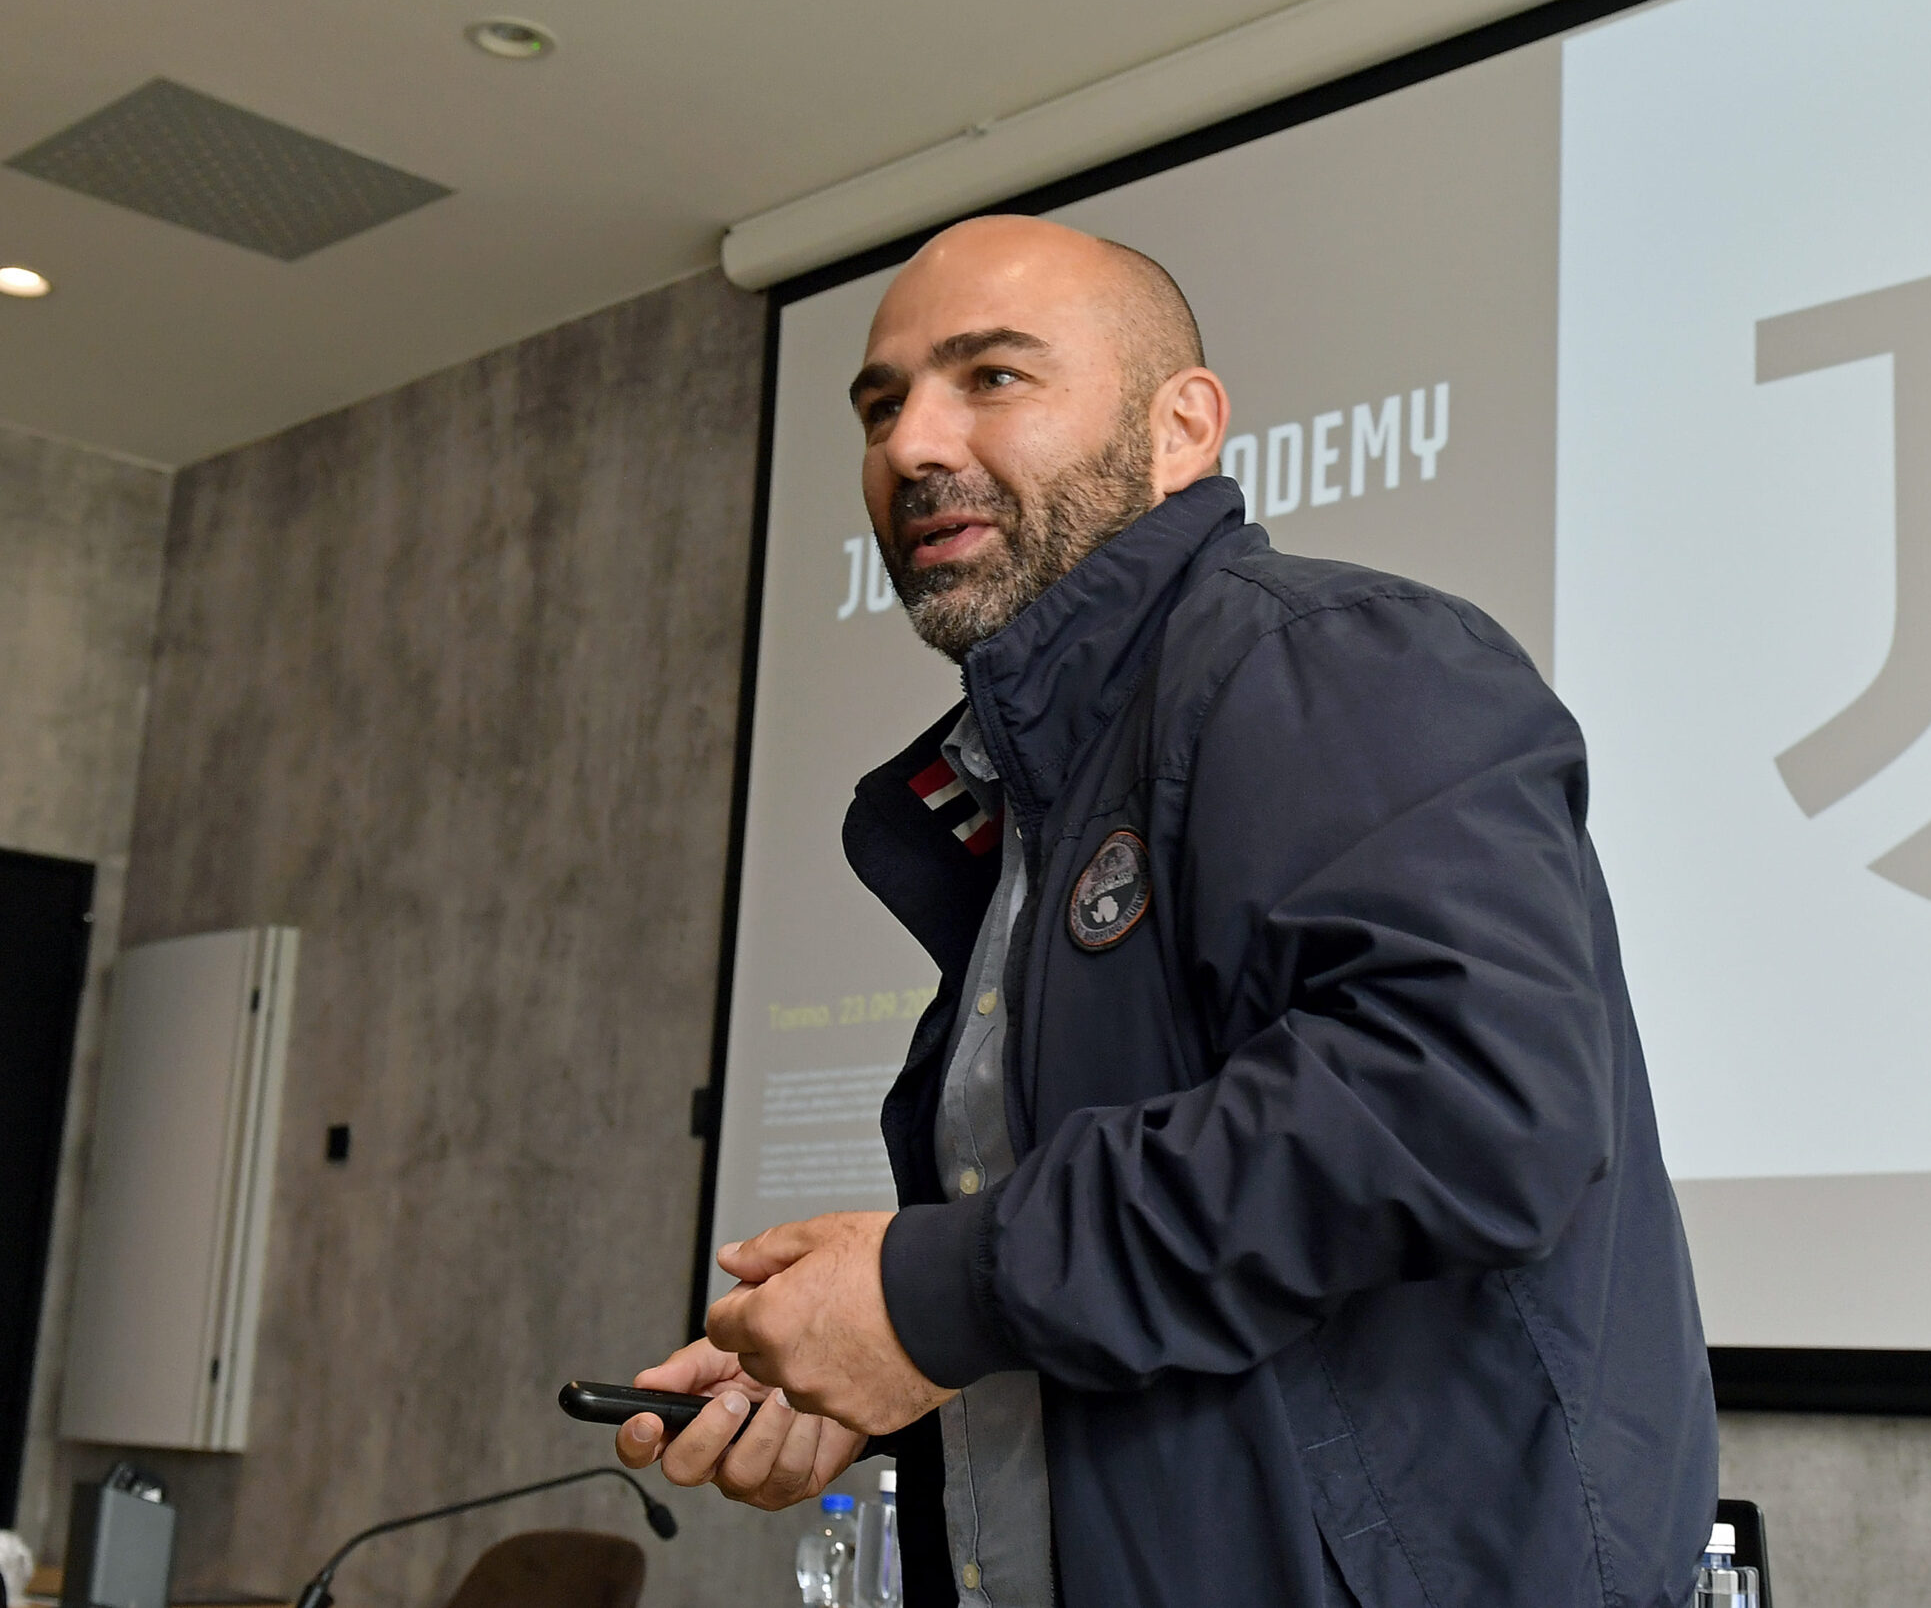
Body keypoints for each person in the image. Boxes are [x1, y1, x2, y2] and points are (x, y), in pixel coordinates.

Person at [617, 215, 1717, 1606]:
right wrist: (874, 1374)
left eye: (993, 378)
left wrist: (929, 1292)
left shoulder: (1321, 656)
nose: (910, 445)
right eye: (882, 405)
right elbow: (1172, 1318)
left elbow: (1464, 1100)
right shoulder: (1033, 797)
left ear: (1183, 424)